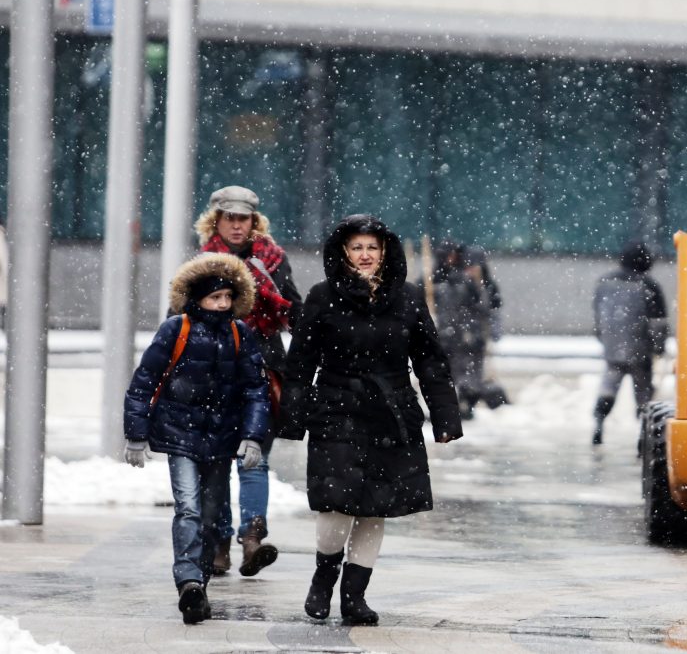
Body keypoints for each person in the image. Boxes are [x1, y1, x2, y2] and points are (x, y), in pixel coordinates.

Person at [279, 214, 462, 626]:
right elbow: (300, 363)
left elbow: (430, 361)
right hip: (336, 411)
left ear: (385, 253)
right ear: (344, 252)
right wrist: (292, 418)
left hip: (391, 415)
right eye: (357, 247)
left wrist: (445, 416)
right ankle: (323, 578)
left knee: (376, 508)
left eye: (372, 248)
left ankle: (354, 597)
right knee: (336, 505)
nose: (365, 255)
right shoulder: (322, 297)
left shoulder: (409, 298)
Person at [123, 253, 271, 624]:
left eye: (226, 297)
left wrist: (253, 437)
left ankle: (199, 583)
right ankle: (188, 579)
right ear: (197, 298)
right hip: (180, 434)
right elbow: (144, 381)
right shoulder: (176, 329)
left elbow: (256, 389)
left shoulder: (240, 334)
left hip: (221, 439)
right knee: (188, 507)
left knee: (209, 515)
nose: (222, 304)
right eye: (214, 297)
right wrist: (136, 434)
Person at [195, 185, 303, 577]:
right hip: (214, 374)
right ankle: (220, 543)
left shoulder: (272, 260)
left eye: (244, 219)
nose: (237, 226)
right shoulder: (202, 263)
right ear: (217, 220)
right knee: (219, 460)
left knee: (254, 456)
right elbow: (181, 318)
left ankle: (252, 538)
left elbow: (296, 313)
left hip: (263, 371)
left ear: (254, 222)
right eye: (230, 218)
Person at [591, 241, 668, 445]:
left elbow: (598, 316)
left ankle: (599, 421)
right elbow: (658, 323)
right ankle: (643, 436)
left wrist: (604, 338)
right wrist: (659, 347)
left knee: (608, 386)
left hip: (612, 347)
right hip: (640, 349)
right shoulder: (648, 285)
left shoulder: (604, 283)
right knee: (643, 393)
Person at [429, 241, 488, 420]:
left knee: (465, 372)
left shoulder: (466, 281)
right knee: (445, 373)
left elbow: (482, 306)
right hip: (443, 334)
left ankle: (465, 404)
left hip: (463, 335)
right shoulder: (434, 281)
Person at [461, 245, 510, 410]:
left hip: (480, 335)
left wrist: (494, 331)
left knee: (478, 368)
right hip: (462, 335)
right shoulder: (460, 284)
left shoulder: (488, 285)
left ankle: (474, 395)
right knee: (463, 368)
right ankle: (466, 396)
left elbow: (494, 311)